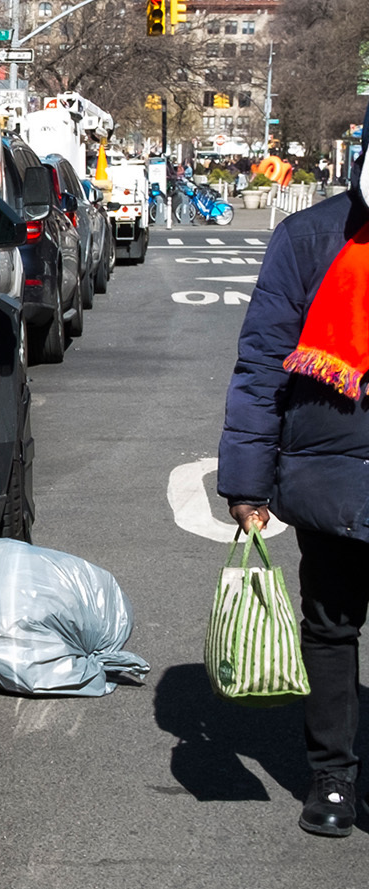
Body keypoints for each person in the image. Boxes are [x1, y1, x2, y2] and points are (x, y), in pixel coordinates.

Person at [219, 99, 369, 838]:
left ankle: (336, 782)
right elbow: (261, 370)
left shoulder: (308, 234)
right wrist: (247, 480)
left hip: (326, 477)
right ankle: (333, 776)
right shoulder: (308, 238)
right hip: (332, 482)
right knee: (332, 627)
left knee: (332, 628)